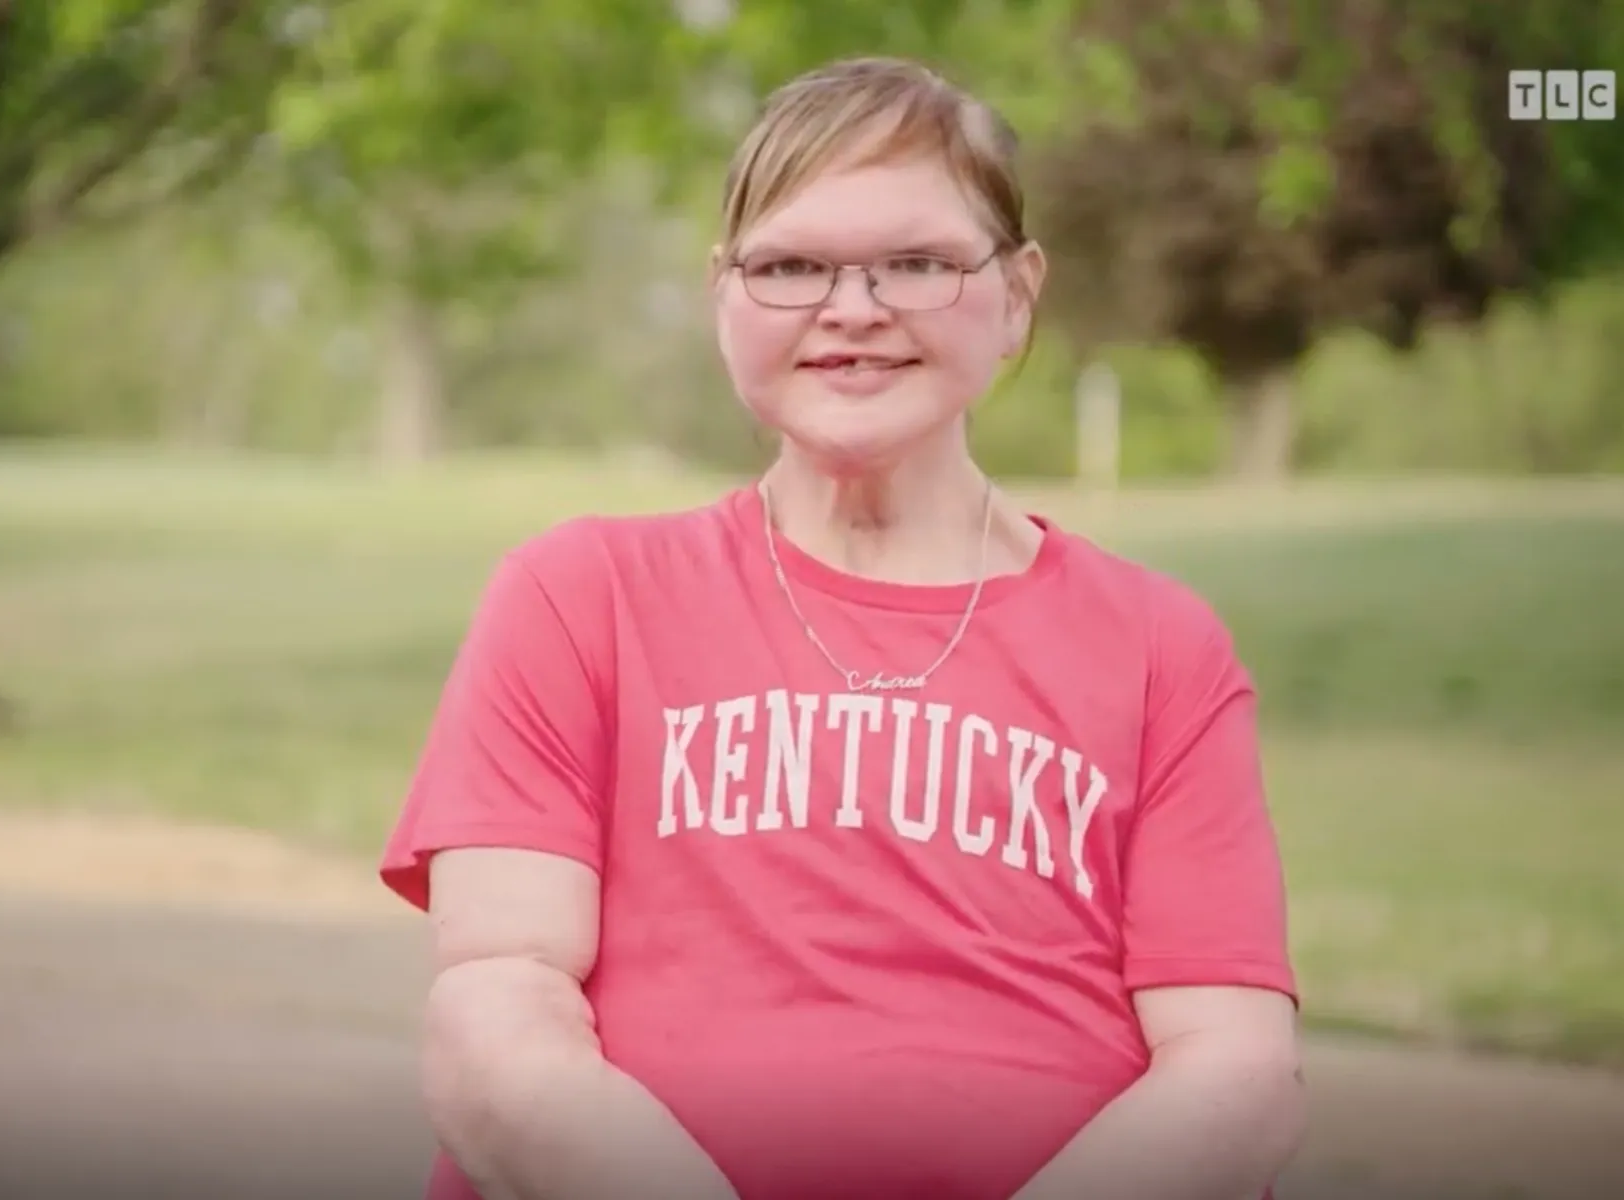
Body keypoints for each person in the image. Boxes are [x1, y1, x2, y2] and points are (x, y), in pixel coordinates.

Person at [380, 55, 1305, 1200]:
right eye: (792, 266)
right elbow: (494, 1016)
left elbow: (1235, 1070)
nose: (850, 312)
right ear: (724, 292)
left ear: (1016, 296)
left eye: (913, 264)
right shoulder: (581, 597)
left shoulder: (1161, 648)